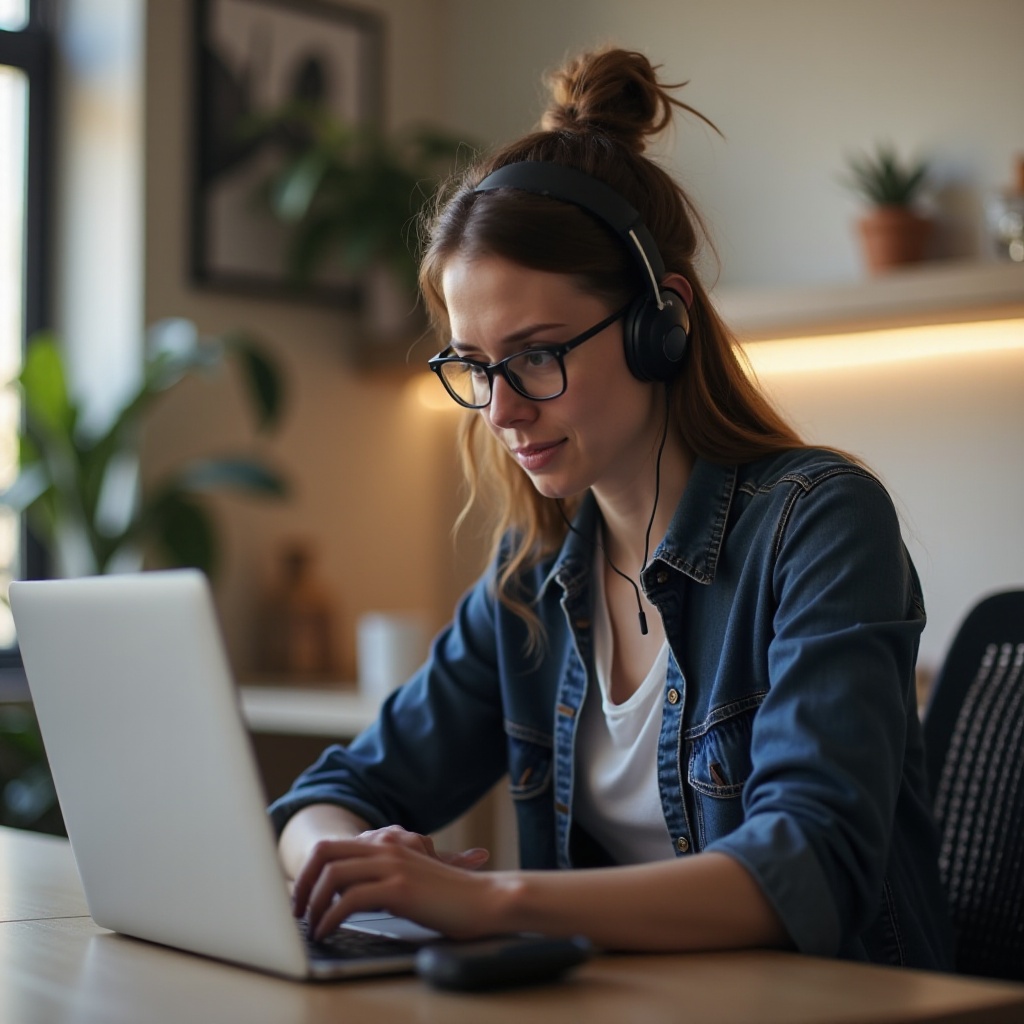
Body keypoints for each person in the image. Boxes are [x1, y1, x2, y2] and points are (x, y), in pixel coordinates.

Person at [269, 46, 954, 969]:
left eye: (538, 354)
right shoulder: (532, 574)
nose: (502, 410)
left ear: (659, 324)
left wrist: (487, 900)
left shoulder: (821, 525)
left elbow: (810, 864)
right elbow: (338, 788)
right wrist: (341, 863)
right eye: (475, 366)